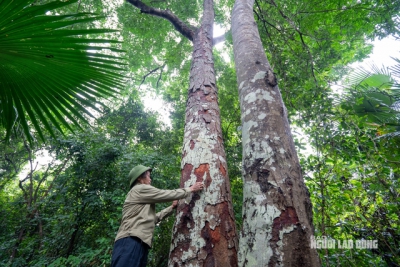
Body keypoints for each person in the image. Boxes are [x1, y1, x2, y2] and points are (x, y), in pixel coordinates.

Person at [111, 165, 204, 267]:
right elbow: (163, 194)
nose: (150, 179)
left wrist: (171, 208)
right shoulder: (139, 189)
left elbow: (153, 219)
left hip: (139, 242)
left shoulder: (141, 198)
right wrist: (190, 189)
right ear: (139, 178)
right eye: (148, 176)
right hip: (130, 240)